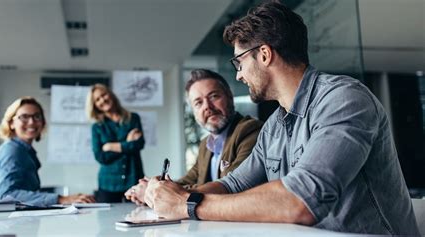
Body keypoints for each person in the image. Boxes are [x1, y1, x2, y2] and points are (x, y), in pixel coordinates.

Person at [143, 2, 419, 235]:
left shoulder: (344, 99)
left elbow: (301, 200)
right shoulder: (275, 125)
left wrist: (187, 204)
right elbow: (233, 184)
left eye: (239, 62)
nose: (238, 74)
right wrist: (170, 196)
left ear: (264, 54)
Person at [124, 69, 263, 205]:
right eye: (198, 103)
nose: (207, 107)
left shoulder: (249, 131)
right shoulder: (206, 145)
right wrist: (153, 187)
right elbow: (186, 181)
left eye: (214, 96)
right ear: (194, 112)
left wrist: (155, 193)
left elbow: (231, 186)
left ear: (230, 97)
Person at [0, 97, 95, 206]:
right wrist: (61, 199)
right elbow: (8, 195)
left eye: (37, 116)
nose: (31, 122)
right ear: (11, 123)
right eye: (24, 117)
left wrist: (68, 198)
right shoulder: (12, 151)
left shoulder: (24, 151)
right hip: (4, 222)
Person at [86, 83, 145, 203]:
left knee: (137, 217)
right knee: (106, 221)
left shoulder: (133, 118)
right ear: (95, 105)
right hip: (108, 184)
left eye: (104, 95)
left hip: (133, 179)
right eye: (97, 99)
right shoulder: (97, 127)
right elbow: (101, 157)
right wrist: (127, 143)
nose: (102, 100)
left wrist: (111, 146)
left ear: (110, 94)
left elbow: (139, 144)